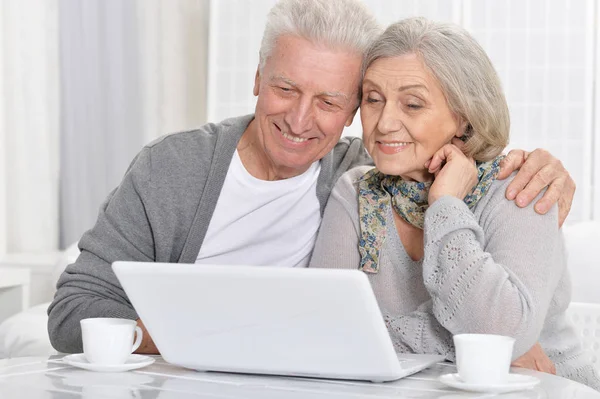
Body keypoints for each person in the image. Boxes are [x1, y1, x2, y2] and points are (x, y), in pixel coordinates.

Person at [48, 0, 575, 358]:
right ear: (256, 78)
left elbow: (450, 158)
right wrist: (193, 339)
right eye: (284, 88)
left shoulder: (361, 172)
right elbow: (74, 309)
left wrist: (542, 174)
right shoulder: (174, 169)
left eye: (330, 101)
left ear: (350, 112)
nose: (301, 120)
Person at [308, 17, 599, 389]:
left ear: (463, 118)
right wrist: (463, 343)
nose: (384, 123)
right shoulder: (356, 192)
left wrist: (445, 205)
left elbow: (497, 332)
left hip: (545, 387)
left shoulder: (522, 187)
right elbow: (324, 327)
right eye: (373, 99)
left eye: (412, 104)